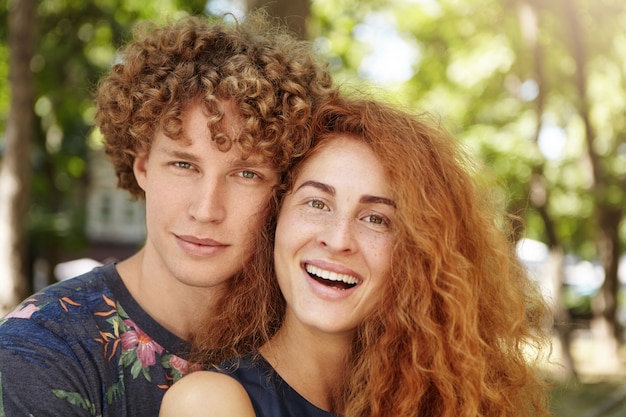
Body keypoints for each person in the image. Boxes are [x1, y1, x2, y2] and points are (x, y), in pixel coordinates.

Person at [0, 11, 334, 417]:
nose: (206, 209)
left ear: (283, 190)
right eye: (183, 165)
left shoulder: (313, 330)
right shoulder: (41, 349)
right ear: (142, 166)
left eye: (246, 173)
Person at [159, 95, 553, 417]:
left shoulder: (446, 401)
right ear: (276, 221)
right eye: (317, 203)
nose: (338, 239)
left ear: (420, 252)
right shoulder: (210, 403)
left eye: (376, 219)